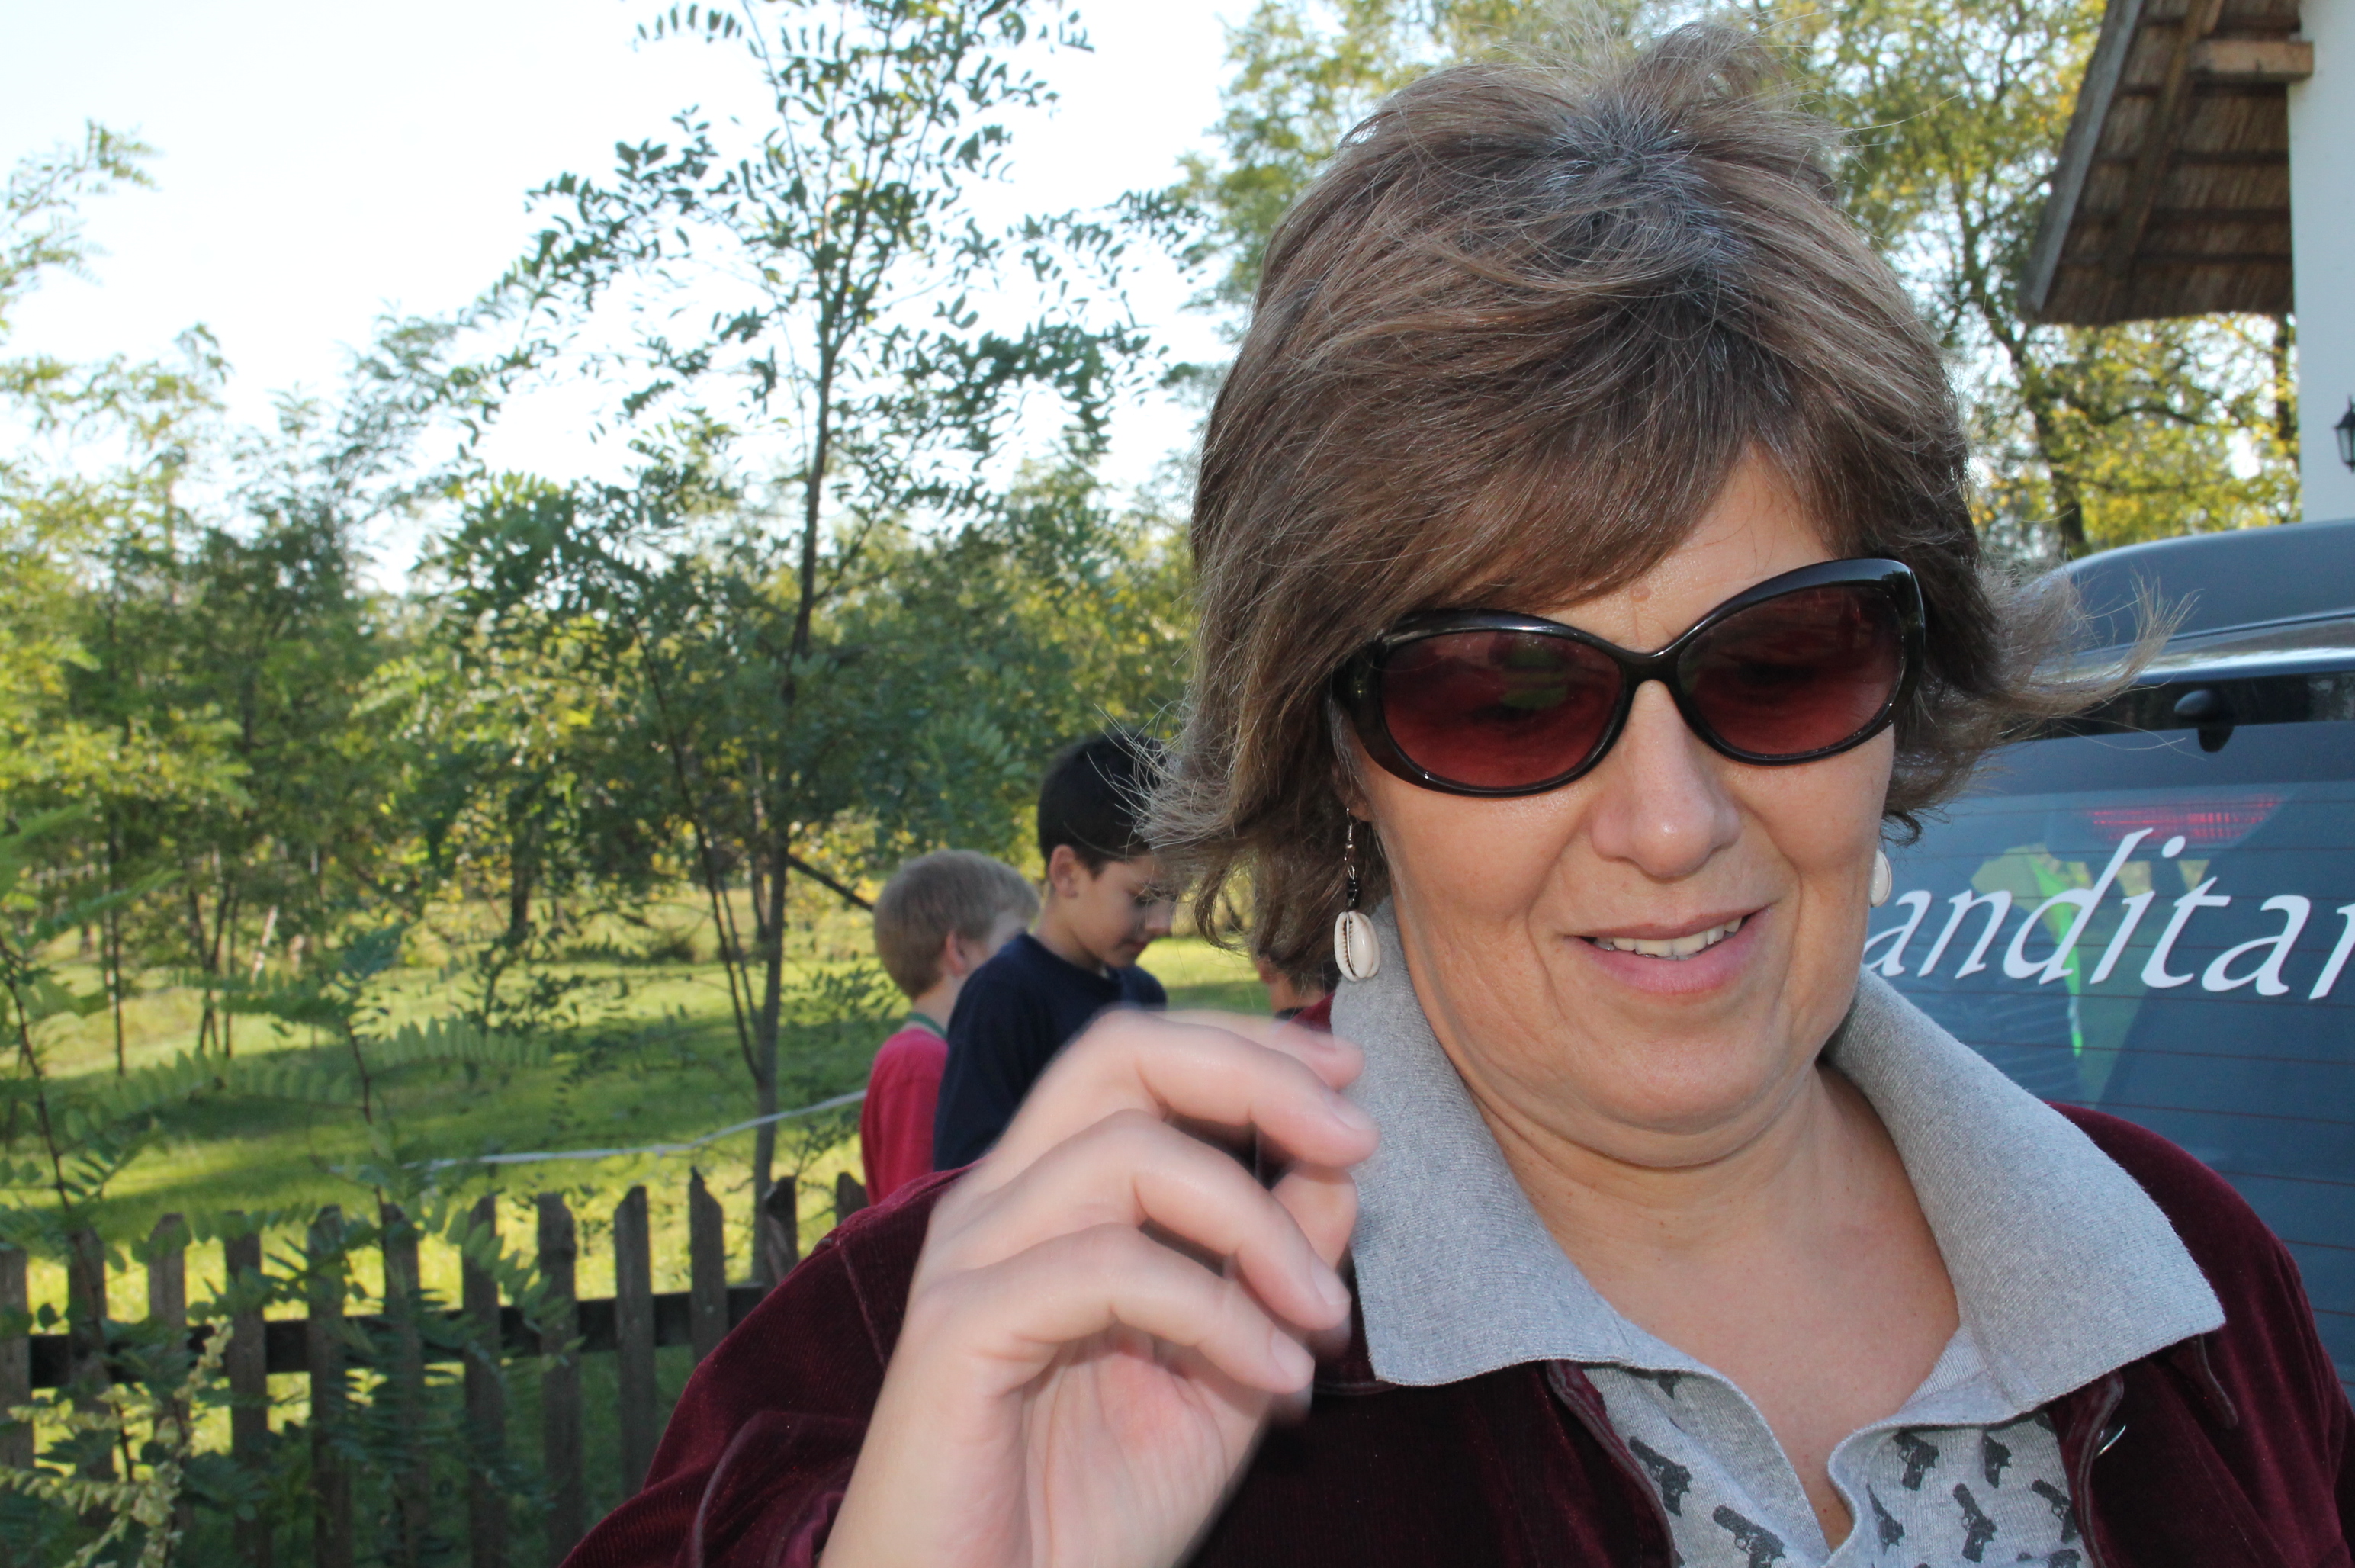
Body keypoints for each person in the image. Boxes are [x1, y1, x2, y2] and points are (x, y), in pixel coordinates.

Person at [565, 29, 2350, 1568]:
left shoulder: (2199, 1291)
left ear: (1903, 674)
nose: (1669, 818)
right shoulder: (958, 1355)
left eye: (1777, 659)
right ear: (1341, 745)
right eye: (1505, 694)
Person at [928, 731, 1176, 1169]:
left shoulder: (1145, 994)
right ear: (1067, 873)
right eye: (1143, 898)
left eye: (1175, 898)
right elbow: (962, 1169)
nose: (1163, 923)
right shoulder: (1004, 996)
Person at [859, 850, 1037, 1204]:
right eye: (1016, 942)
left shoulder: (954, 1054)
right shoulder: (918, 1062)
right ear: (959, 952)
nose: (1030, 959)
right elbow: (910, 1218)